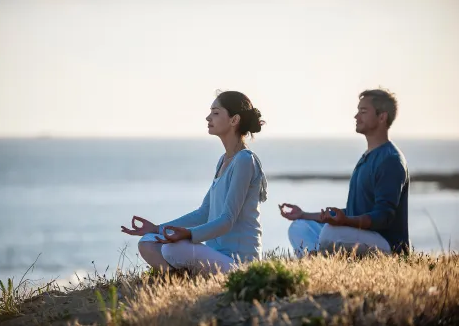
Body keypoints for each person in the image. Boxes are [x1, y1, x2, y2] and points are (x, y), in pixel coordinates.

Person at [121, 90, 268, 274]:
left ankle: (186, 279)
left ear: (234, 120)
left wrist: (189, 234)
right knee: (148, 241)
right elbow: (204, 213)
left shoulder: (245, 160)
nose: (208, 118)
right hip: (215, 256)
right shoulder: (224, 160)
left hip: (240, 264)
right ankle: (179, 281)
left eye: (215, 113)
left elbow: (227, 221)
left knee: (172, 248)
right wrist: (158, 228)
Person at [280, 88, 409, 257]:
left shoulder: (390, 160)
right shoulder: (367, 157)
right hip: (360, 235)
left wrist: (345, 221)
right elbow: (355, 211)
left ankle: (317, 259)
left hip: (388, 246)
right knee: (300, 226)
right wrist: (304, 214)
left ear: (382, 117)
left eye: (363, 111)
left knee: (330, 234)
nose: (356, 117)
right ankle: (314, 261)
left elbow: (383, 217)